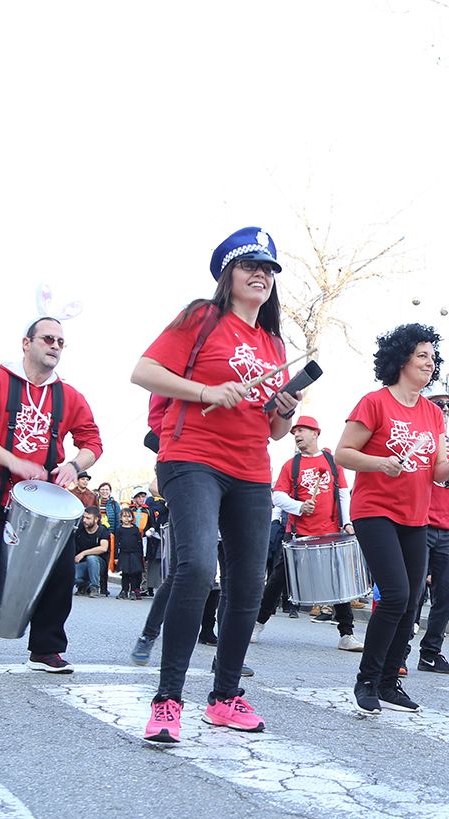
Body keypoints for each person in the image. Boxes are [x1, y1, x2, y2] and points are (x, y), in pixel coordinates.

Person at [129, 226, 299, 742]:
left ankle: (225, 697)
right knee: (198, 564)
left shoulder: (273, 343)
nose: (261, 276)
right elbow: (143, 371)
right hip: (192, 457)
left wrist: (286, 414)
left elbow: (272, 428)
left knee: (248, 581)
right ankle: (167, 701)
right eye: (250, 266)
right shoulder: (200, 317)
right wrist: (207, 389)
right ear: (227, 274)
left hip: (251, 466)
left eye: (268, 269)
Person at [0, 317, 103, 675]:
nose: (55, 346)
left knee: (60, 572)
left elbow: (92, 441)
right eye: (48, 339)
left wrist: (74, 465)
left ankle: (46, 649)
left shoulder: (69, 396)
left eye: (61, 342)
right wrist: (12, 462)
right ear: (26, 343)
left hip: (46, 503)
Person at [335, 323, 449, 714]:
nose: (430, 363)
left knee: (411, 599)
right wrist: (381, 464)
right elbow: (344, 453)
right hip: (374, 511)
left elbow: (437, 471)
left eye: (433, 357)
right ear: (401, 358)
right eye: (422, 355)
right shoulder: (374, 403)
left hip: (416, 516)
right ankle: (367, 679)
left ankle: (389, 682)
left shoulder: (434, 414)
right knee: (397, 593)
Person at [257, 415, 362, 651]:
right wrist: (299, 506)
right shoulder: (290, 465)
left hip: (329, 533)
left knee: (340, 584)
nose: (297, 435)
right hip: (298, 534)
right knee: (277, 581)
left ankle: (346, 634)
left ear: (315, 432)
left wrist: (347, 523)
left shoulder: (332, 462)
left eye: (302, 430)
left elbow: (343, 493)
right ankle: (257, 623)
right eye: (295, 431)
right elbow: (277, 495)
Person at [403, 377, 449, 676]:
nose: (445, 409)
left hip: (448, 528)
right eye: (439, 404)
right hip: (421, 524)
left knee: (447, 597)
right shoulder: (421, 438)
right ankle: (399, 652)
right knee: (412, 594)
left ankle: (430, 653)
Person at [70, 506, 110, 595]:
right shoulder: (80, 529)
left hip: (98, 564)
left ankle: (94, 587)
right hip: (82, 563)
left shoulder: (103, 530)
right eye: (84, 517)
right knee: (72, 577)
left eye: (88, 518)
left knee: (91, 558)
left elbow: (103, 548)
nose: (84, 520)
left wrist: (83, 553)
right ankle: (84, 585)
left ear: (96, 519)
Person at [114, 507, 144, 598]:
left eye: (129, 516)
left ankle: (133, 591)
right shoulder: (119, 529)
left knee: (134, 573)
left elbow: (139, 542)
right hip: (124, 554)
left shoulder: (135, 529)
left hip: (135, 554)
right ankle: (124, 590)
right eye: (124, 516)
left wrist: (141, 555)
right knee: (125, 573)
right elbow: (116, 543)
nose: (126, 519)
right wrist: (116, 557)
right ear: (120, 518)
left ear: (132, 518)